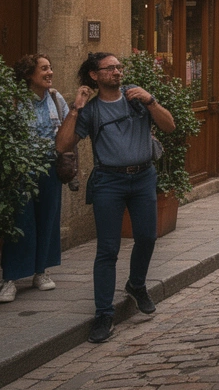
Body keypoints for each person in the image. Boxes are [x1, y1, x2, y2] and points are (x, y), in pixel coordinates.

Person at [56, 52, 176, 344]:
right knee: (108, 249)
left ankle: (136, 285)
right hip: (109, 181)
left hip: (143, 177)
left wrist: (151, 101)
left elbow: (169, 126)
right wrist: (76, 108)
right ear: (95, 75)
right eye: (109, 68)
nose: (117, 72)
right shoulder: (92, 110)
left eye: (118, 67)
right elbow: (62, 145)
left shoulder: (137, 98)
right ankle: (104, 314)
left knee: (147, 237)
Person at [0, 54, 67, 304]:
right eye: (44, 69)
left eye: (50, 68)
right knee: (21, 220)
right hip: (21, 168)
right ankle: (11, 279)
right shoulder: (14, 100)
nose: (49, 73)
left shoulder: (56, 99)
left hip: (49, 167)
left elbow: (68, 130)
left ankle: (41, 272)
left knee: (48, 219)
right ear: (29, 74)